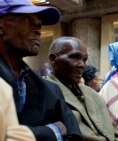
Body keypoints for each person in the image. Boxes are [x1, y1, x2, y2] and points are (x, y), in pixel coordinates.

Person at [0, 1, 83, 141]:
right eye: (27, 19)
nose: (38, 29)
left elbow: (72, 134)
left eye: (39, 23)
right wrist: (52, 131)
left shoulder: (51, 90)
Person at [45, 36, 118, 141]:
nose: (82, 65)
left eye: (84, 59)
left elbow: (113, 133)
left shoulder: (92, 94)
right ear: (53, 59)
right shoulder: (43, 92)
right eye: (74, 57)